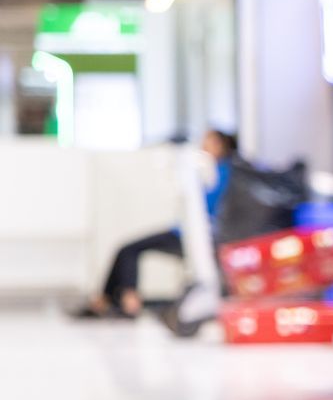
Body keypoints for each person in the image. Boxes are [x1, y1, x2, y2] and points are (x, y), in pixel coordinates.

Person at [73, 130, 235, 319]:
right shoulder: (208, 170)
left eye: (209, 140)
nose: (203, 144)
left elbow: (206, 206)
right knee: (125, 249)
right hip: (185, 232)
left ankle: (128, 303)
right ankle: (105, 301)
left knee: (129, 250)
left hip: (193, 237)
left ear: (221, 145)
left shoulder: (222, 173)